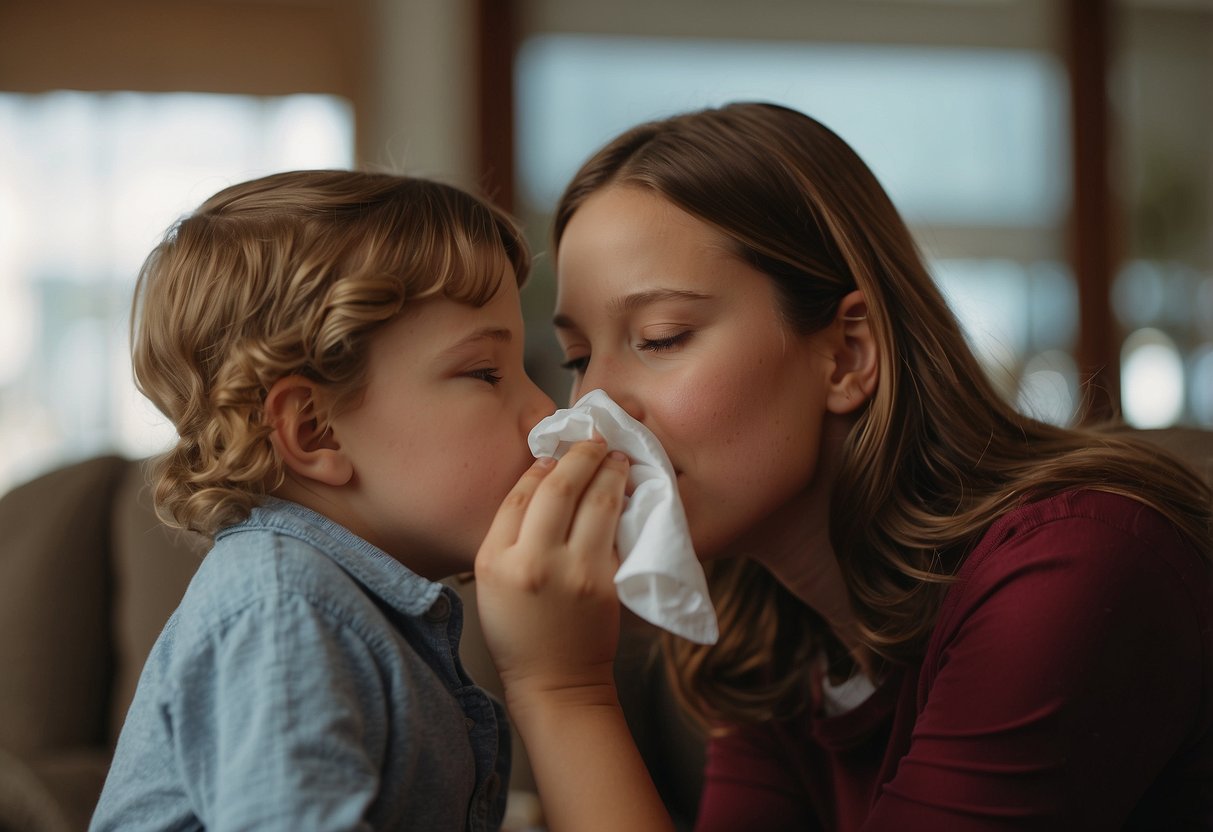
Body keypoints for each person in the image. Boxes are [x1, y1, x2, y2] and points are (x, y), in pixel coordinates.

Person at [473, 102, 1213, 831]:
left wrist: (559, 687)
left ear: (846, 355)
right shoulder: (769, 639)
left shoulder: (1076, 565)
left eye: (661, 337)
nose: (594, 408)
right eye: (576, 358)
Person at [91, 170, 559, 832]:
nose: (544, 411)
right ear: (315, 429)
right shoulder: (284, 610)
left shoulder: (341, 606)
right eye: (485, 373)